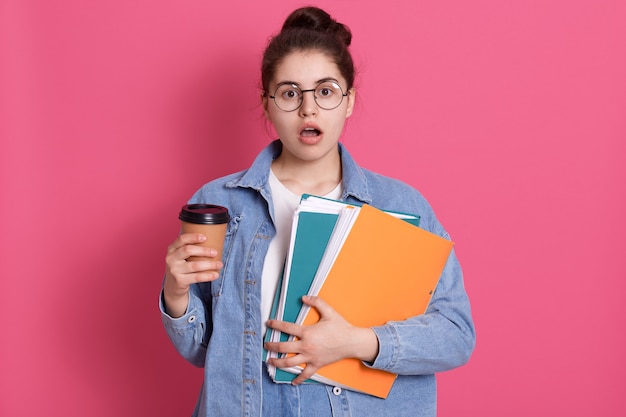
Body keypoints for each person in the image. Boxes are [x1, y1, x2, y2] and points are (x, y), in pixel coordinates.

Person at [160, 6, 475, 417]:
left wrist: (355, 342)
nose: (308, 109)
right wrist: (176, 291)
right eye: (290, 93)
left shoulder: (402, 206)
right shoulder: (221, 203)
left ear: (348, 101)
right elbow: (201, 350)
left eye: (325, 91)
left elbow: (455, 335)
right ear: (268, 104)